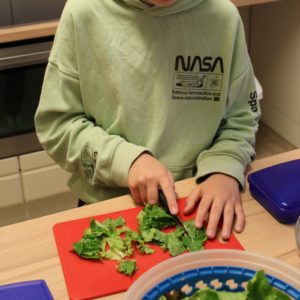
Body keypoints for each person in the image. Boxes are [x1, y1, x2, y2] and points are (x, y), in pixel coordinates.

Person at [35, 0, 260, 240]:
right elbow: (57, 126)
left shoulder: (223, 17)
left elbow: (241, 117)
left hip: (197, 203)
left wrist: (225, 167)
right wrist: (126, 162)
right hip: (110, 206)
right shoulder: (82, 12)